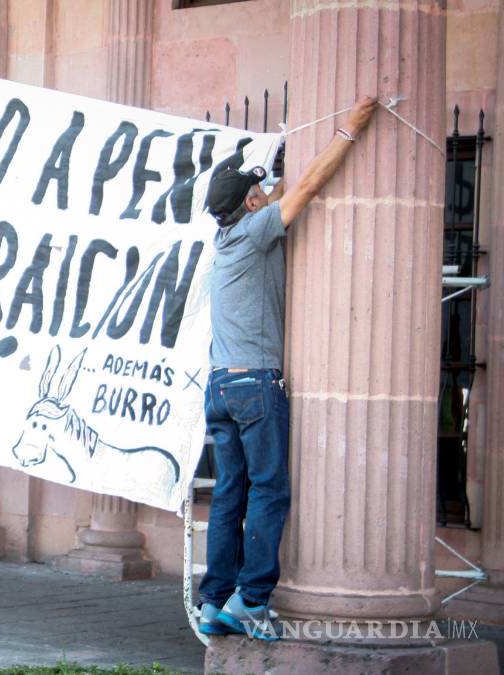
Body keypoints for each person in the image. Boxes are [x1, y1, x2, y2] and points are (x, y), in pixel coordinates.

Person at [197, 96, 380, 641]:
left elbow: (274, 194)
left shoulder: (228, 234)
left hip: (221, 385)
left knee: (229, 493)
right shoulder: (257, 232)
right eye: (258, 193)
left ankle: (214, 601)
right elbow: (307, 188)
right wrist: (349, 130)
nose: (266, 194)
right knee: (269, 490)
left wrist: (270, 166)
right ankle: (252, 601)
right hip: (254, 384)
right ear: (250, 204)